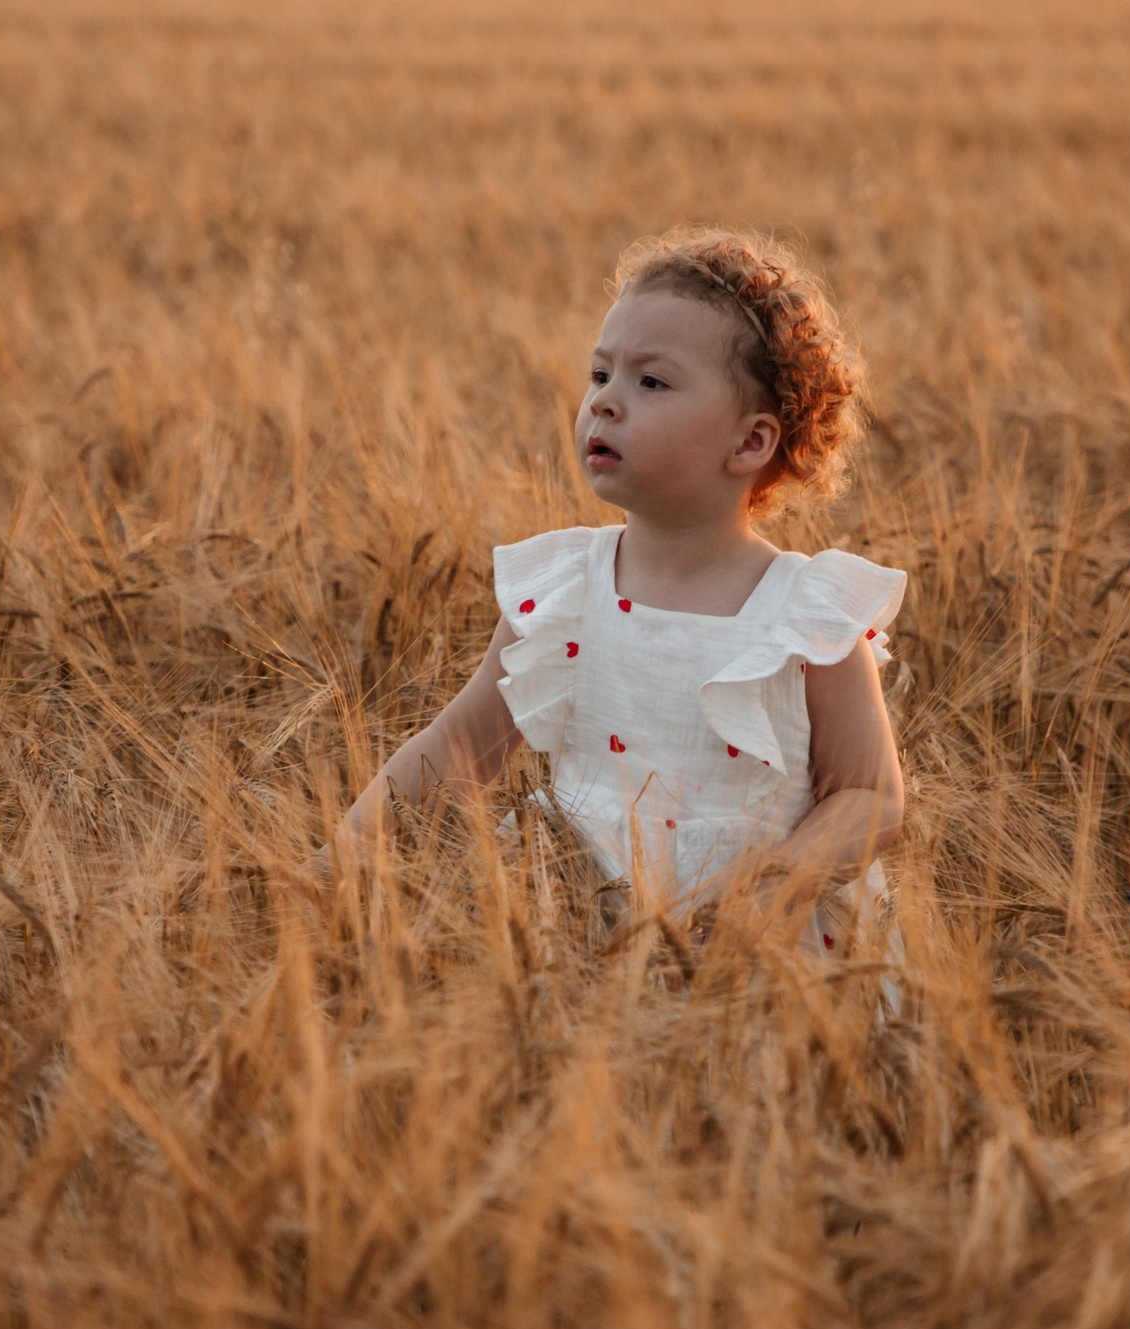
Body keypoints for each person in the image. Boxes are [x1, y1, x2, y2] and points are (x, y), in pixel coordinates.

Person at [328, 228, 905, 959]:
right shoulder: (566, 595)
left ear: (750, 443)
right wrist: (338, 859)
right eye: (600, 375)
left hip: (754, 950)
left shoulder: (807, 616)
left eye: (650, 382)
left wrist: (773, 889)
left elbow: (870, 797)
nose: (605, 403)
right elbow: (458, 746)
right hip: (574, 922)